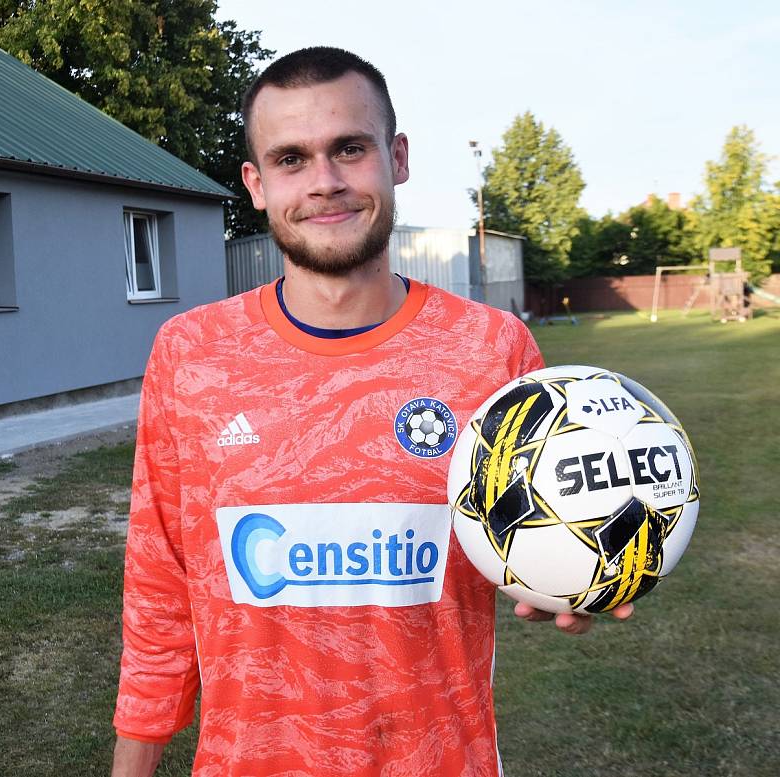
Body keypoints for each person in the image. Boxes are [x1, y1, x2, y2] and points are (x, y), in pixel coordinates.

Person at [111, 46, 632, 777]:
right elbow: (159, 598)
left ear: (397, 157)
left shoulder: (493, 350)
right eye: (291, 159)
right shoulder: (191, 354)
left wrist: (562, 574)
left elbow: (528, 530)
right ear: (257, 186)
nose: (324, 182)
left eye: (349, 149)